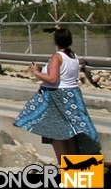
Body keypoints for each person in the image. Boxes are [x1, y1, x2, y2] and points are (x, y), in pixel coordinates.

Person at [15, 26, 99, 162]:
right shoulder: (73, 56)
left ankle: (64, 164)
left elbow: (53, 79)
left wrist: (36, 72)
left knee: (56, 133)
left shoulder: (57, 57)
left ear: (56, 41)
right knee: (69, 132)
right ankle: (73, 165)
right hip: (72, 95)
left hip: (57, 97)